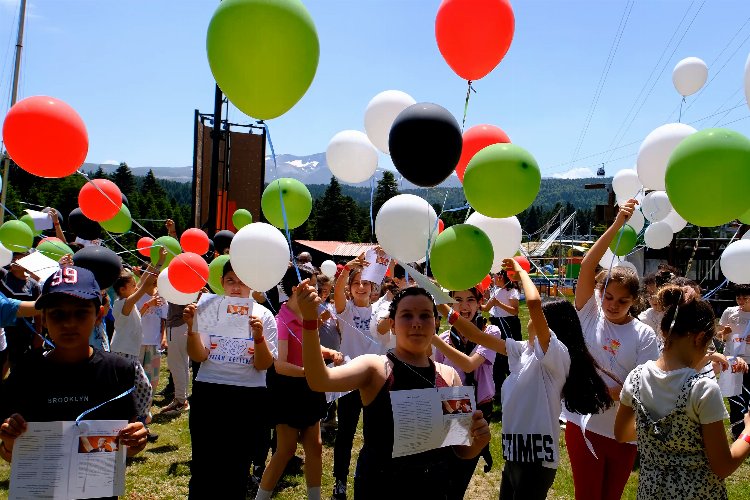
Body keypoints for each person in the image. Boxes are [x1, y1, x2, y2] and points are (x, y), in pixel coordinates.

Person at [434, 258, 613, 500]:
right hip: (514, 456)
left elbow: (533, 302)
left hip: (537, 462)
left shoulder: (555, 356)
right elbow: (472, 332)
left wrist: (520, 271)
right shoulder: (521, 350)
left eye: (540, 320)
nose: (531, 319)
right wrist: (437, 298)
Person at [300, 284, 490, 499]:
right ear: (392, 324)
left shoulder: (449, 376)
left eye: (425, 315)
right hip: (381, 488)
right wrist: (309, 321)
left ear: (436, 322)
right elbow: (319, 380)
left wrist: (478, 441)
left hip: (434, 488)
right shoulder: (375, 368)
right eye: (407, 315)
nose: (417, 323)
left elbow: (462, 449)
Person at [0, 267, 150, 482]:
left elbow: (125, 445)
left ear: (99, 315)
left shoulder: (119, 370)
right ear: (43, 317)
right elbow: (10, 453)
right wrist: (10, 442)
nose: (69, 323)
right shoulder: (25, 372)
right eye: (57, 313)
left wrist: (136, 441)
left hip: (95, 490)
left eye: (81, 312)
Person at [563, 198, 659, 500]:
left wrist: (608, 394)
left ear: (635, 301)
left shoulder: (643, 333)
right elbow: (589, 263)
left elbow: (643, 383)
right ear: (599, 294)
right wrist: (618, 224)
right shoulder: (588, 312)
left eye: (623, 301)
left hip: (624, 432)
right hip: (583, 426)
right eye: (609, 297)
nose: (613, 305)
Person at [615, 285, 750, 499]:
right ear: (699, 338)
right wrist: (748, 433)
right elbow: (723, 466)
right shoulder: (702, 389)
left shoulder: (637, 377)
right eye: (708, 345)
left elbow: (622, 434)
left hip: (651, 492)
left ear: (664, 331)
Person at [184, 260, 278, 499]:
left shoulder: (264, 315)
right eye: (230, 281)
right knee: (204, 464)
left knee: (238, 467)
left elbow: (264, 365)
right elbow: (199, 355)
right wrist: (192, 328)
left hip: (248, 396)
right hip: (210, 391)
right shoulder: (207, 308)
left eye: (242, 281)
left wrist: (258, 338)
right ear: (222, 283)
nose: (237, 287)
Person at [255, 264, 343, 500]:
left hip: (309, 385)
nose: (317, 291)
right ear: (297, 288)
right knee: (286, 449)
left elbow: (309, 347)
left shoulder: (307, 315)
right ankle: (261, 497)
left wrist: (328, 353)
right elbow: (279, 364)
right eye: (312, 286)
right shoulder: (282, 320)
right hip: (288, 388)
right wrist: (310, 372)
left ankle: (314, 497)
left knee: (315, 445)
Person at [431, 286, 501, 497]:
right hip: (454, 405)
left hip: (480, 408)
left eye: (470, 299)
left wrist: (432, 338)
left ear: (480, 303)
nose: (464, 305)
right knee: (449, 467)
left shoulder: (490, 332)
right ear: (450, 304)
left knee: (464, 469)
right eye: (458, 299)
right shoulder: (444, 338)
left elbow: (471, 365)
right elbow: (437, 377)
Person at [331, 253, 385, 499]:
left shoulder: (380, 310)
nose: (361, 286)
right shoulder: (345, 310)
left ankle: (374, 475)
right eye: (356, 283)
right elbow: (338, 293)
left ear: (373, 288)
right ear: (350, 289)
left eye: (366, 283)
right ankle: (339, 481)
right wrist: (345, 272)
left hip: (376, 381)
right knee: (346, 433)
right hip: (351, 379)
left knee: (376, 434)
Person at [718, 283, 750, 440]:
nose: (741, 300)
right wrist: (724, 332)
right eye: (738, 297)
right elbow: (720, 337)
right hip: (732, 359)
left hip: (749, 362)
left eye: (745, 297)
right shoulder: (729, 312)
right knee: (734, 396)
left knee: (748, 395)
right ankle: (738, 430)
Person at [0, 252, 42, 371]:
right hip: (5, 327)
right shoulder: (3, 277)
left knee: (19, 361)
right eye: (14, 257)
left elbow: (37, 311)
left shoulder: (33, 285)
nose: (15, 260)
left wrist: (38, 334)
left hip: (23, 330)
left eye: (20, 258)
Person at [483, 270, 520, 405]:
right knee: (497, 356)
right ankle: (498, 390)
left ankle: (513, 387)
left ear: (502, 277)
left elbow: (515, 311)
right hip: (497, 323)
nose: (493, 278)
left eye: (496, 275)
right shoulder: (496, 290)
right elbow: (486, 309)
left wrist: (498, 304)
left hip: (508, 324)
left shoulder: (512, 291)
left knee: (508, 353)